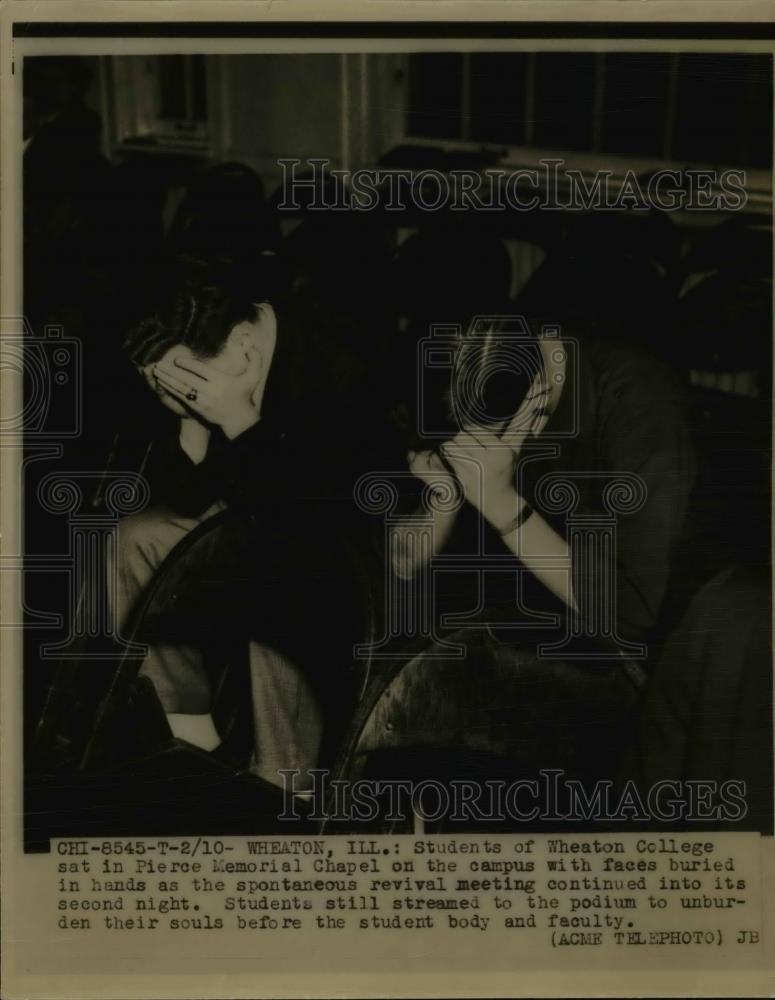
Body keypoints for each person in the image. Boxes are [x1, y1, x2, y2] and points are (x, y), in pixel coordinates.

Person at [117, 256, 385, 788]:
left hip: (363, 573)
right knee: (136, 537)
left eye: (182, 386)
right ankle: (187, 735)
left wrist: (239, 421)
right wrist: (190, 420)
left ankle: (285, 786)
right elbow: (192, 501)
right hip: (268, 530)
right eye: (160, 388)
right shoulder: (210, 356)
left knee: (276, 584)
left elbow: (318, 533)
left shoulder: (348, 378)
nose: (174, 397)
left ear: (243, 347)